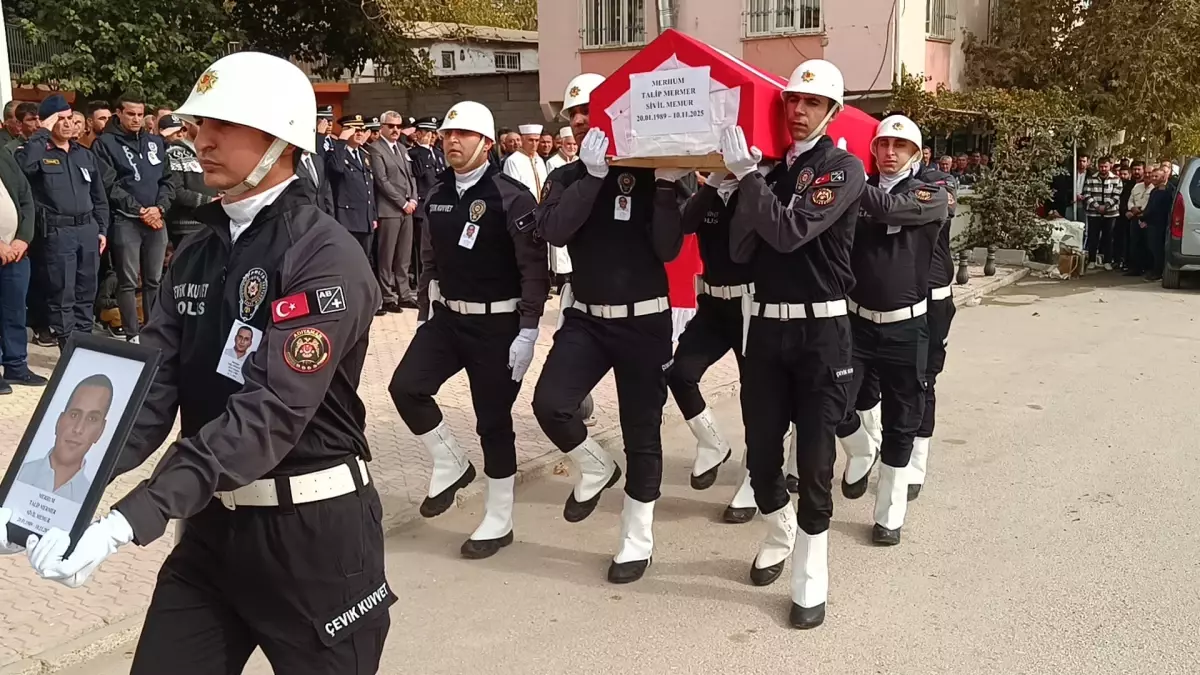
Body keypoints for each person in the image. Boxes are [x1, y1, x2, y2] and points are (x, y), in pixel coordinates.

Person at [14, 51, 389, 674]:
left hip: (312, 538)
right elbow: (150, 390)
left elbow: (269, 412)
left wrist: (130, 519)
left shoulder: (326, 256)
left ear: (279, 141)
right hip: (212, 529)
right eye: (198, 123)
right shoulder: (200, 248)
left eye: (223, 125)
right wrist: (45, 491)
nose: (201, 139)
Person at [721, 59, 866, 629]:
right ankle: (778, 527)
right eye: (791, 103)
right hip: (769, 328)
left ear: (831, 112)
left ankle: (811, 574)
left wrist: (751, 184)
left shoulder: (843, 168)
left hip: (822, 332)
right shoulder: (773, 172)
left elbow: (786, 234)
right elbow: (738, 252)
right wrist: (733, 185)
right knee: (760, 453)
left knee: (815, 459)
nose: (798, 112)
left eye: (811, 104)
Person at [532, 71, 686, 585]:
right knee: (550, 402)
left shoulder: (646, 172)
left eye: (589, 111)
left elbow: (668, 249)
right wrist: (592, 177)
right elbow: (553, 230)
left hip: (644, 321)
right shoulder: (566, 176)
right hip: (587, 318)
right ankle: (596, 466)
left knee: (643, 432)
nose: (579, 121)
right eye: (573, 114)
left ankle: (636, 538)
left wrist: (665, 185)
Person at [389, 100, 547, 559]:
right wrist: (423, 309)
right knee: (406, 387)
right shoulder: (437, 194)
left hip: (499, 325)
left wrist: (530, 329)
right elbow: (431, 258)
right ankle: (451, 463)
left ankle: (499, 520)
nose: (452, 141)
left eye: (463, 134)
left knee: (493, 423)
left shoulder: (511, 196)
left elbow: (533, 267)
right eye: (447, 135)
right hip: (448, 319)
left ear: (487, 143)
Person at [836, 116, 948, 532]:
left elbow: (889, 208)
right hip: (857, 324)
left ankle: (889, 512)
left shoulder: (931, 194)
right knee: (834, 403)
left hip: (906, 328)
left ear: (916, 154)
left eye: (899, 146)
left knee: (902, 420)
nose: (889, 152)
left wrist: (845, 177)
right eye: (882, 144)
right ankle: (861, 448)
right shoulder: (857, 190)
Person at [669, 169, 760, 525]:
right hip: (712, 306)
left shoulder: (760, 188)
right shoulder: (708, 192)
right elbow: (686, 224)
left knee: (756, 398)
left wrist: (746, 178)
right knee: (679, 373)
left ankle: (754, 479)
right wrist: (714, 183)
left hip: (752, 306)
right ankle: (713, 443)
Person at [13, 95, 111, 349]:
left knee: (86, 293)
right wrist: (41, 134)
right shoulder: (35, 151)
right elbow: (24, 169)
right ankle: (68, 350)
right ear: (48, 122)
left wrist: (101, 229)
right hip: (58, 231)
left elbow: (99, 197)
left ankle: (85, 347)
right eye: (61, 119)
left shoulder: (84, 155)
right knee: (62, 294)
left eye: (71, 119)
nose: (68, 124)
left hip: (88, 230)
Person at [92, 92, 174, 343]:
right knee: (127, 280)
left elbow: (168, 181)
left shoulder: (155, 142)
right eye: (131, 114)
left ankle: (153, 331)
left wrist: (159, 208)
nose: (136, 119)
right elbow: (109, 184)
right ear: (119, 113)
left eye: (140, 114)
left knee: (154, 279)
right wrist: (139, 210)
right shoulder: (105, 143)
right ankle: (132, 334)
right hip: (126, 219)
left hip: (156, 218)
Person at [14, 374, 112, 500]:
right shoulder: (20, 475)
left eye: (92, 418)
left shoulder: (87, 497)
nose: (78, 429)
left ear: (100, 430)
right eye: (74, 415)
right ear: (59, 421)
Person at [0, 143, 43, 394]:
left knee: (15, 312)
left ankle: (16, 365)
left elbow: (26, 199)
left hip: (16, 253)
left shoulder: (4, 155)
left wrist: (22, 239)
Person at [368, 110, 420, 313]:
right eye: (391, 126)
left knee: (404, 255)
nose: (395, 130)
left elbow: (412, 176)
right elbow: (382, 181)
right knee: (386, 256)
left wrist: (414, 198)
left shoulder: (402, 148)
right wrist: (402, 202)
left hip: (408, 208)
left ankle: (404, 293)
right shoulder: (376, 149)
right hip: (389, 209)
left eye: (398, 126)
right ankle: (388, 296)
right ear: (382, 127)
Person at [325, 113, 378, 260]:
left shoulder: (364, 155)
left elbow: (369, 186)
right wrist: (341, 141)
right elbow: (337, 169)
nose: (360, 133)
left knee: (364, 260)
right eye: (355, 129)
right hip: (348, 218)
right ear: (345, 131)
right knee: (348, 260)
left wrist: (372, 215)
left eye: (361, 129)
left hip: (365, 218)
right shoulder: (336, 153)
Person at [164, 114, 220, 249]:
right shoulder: (174, 152)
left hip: (212, 224)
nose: (205, 128)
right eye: (200, 123)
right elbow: (175, 191)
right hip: (186, 226)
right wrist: (209, 200)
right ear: (187, 124)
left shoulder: (212, 152)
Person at [409, 116, 444, 289]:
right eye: (427, 132)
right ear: (419, 134)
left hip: (439, 205)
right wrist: (422, 147)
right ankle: (420, 279)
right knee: (422, 248)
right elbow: (420, 172)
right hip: (422, 206)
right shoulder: (415, 153)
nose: (431, 136)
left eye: (432, 132)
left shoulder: (437, 154)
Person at [1082, 156, 1122, 270]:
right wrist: (1097, 206)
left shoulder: (1116, 179)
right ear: (1098, 166)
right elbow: (1087, 194)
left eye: (1105, 166)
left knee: (1108, 237)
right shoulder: (1091, 178)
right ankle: (1091, 260)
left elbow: (1117, 195)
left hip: (1111, 213)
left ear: (1109, 166)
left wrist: (1106, 206)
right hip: (1093, 213)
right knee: (1092, 237)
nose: (1103, 169)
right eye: (1101, 166)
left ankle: (1107, 261)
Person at [502, 124, 548, 201]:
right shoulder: (513, 160)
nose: (534, 144)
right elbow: (513, 190)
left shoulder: (539, 160)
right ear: (522, 140)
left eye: (537, 140)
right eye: (530, 140)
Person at [1142, 166, 1172, 282]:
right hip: (1151, 223)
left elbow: (1156, 209)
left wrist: (1143, 217)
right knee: (1152, 248)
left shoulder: (1165, 192)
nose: (1153, 178)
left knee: (1157, 249)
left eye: (1156, 176)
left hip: (1159, 224)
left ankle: (1158, 272)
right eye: (1152, 176)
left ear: (1163, 177)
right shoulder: (1154, 190)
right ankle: (1154, 270)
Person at [1125, 166, 1155, 277]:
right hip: (1135, 218)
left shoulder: (1154, 188)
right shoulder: (1137, 186)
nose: (1147, 175)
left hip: (1147, 219)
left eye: (1150, 173)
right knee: (1134, 244)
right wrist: (1132, 208)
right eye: (1146, 173)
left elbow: (1151, 204)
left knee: (1148, 244)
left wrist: (1140, 210)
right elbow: (1130, 200)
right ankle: (1135, 268)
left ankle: (1148, 268)